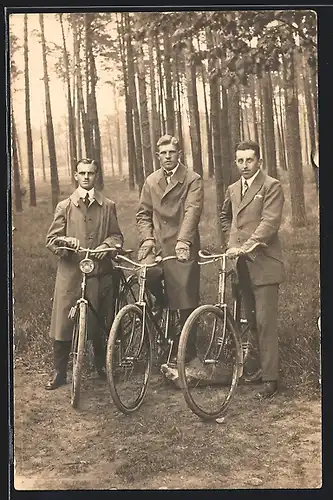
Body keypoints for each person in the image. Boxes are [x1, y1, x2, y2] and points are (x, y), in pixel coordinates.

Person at [45, 158, 123, 390]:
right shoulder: (65, 206)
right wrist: (66, 242)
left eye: (91, 173)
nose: (87, 177)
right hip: (71, 274)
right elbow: (51, 240)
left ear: (96, 175)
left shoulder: (107, 205)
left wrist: (105, 245)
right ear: (75, 176)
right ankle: (60, 371)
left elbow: (117, 236)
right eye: (82, 173)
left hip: (98, 273)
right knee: (63, 322)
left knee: (99, 319)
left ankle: (101, 365)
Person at [220, 140, 285, 398]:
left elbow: (270, 222)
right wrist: (231, 241)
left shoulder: (271, 186)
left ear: (259, 161)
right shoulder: (233, 188)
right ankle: (256, 368)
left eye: (249, 160)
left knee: (266, 321)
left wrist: (246, 245)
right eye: (240, 161)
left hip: (265, 263)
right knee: (251, 321)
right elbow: (225, 216)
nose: (244, 165)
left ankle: (271, 379)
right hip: (241, 265)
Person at [136, 134, 204, 365]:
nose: (167, 156)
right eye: (163, 153)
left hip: (182, 245)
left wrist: (184, 241)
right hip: (159, 245)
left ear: (179, 154)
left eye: (171, 152)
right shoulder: (151, 181)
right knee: (146, 274)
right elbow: (143, 213)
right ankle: (163, 300)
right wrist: (147, 239)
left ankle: (186, 348)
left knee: (185, 295)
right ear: (158, 156)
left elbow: (192, 212)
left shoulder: (192, 179)